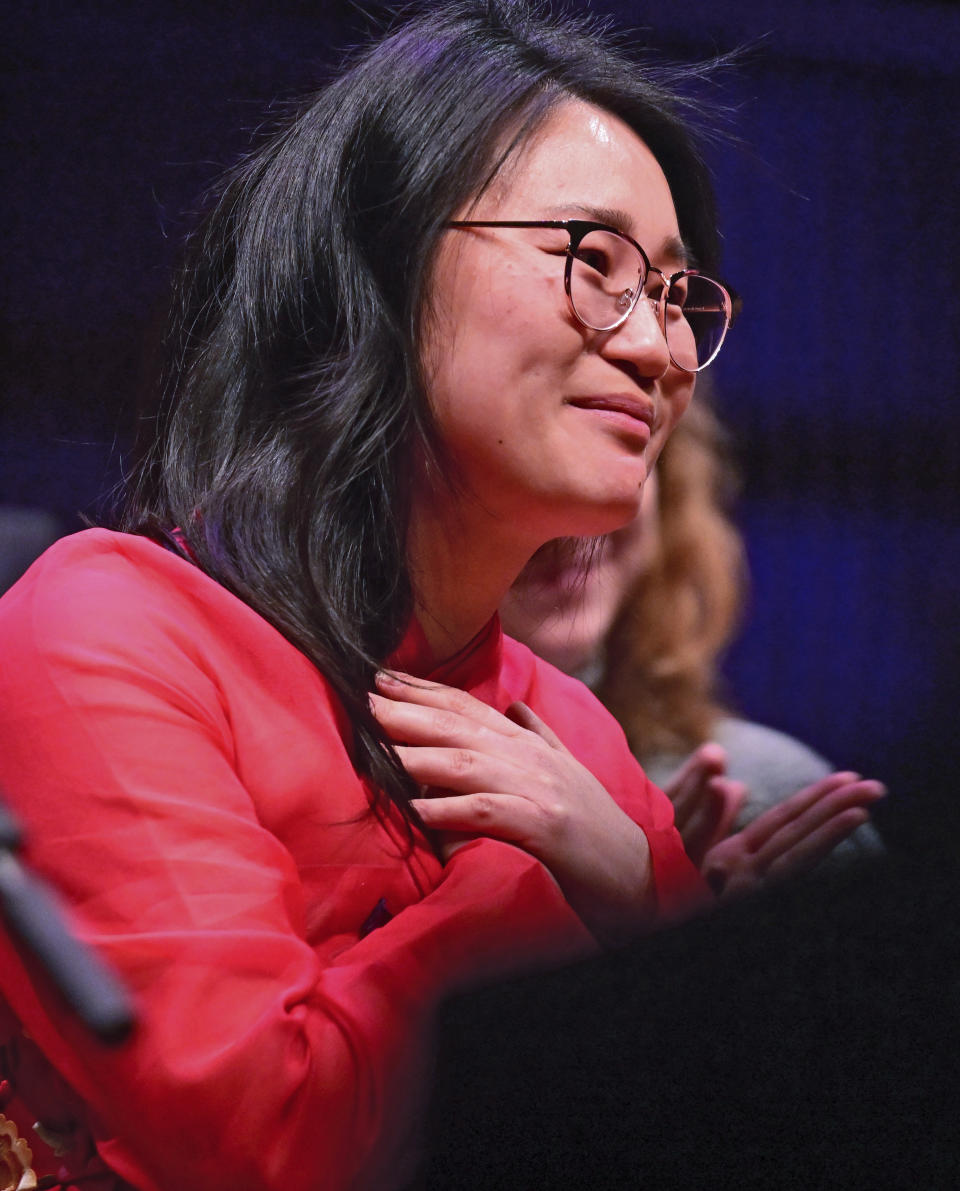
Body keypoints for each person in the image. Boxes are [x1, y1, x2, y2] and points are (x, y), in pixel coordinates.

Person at [0, 4, 884, 1189]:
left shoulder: (569, 738)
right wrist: (559, 883)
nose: (662, 349)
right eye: (595, 263)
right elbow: (269, 1145)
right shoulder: (109, 633)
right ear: (385, 259)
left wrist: (644, 890)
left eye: (676, 294)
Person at [501, 392, 885, 883]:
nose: (576, 517)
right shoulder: (375, 798)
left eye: (623, 449)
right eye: (518, 462)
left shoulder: (761, 802)